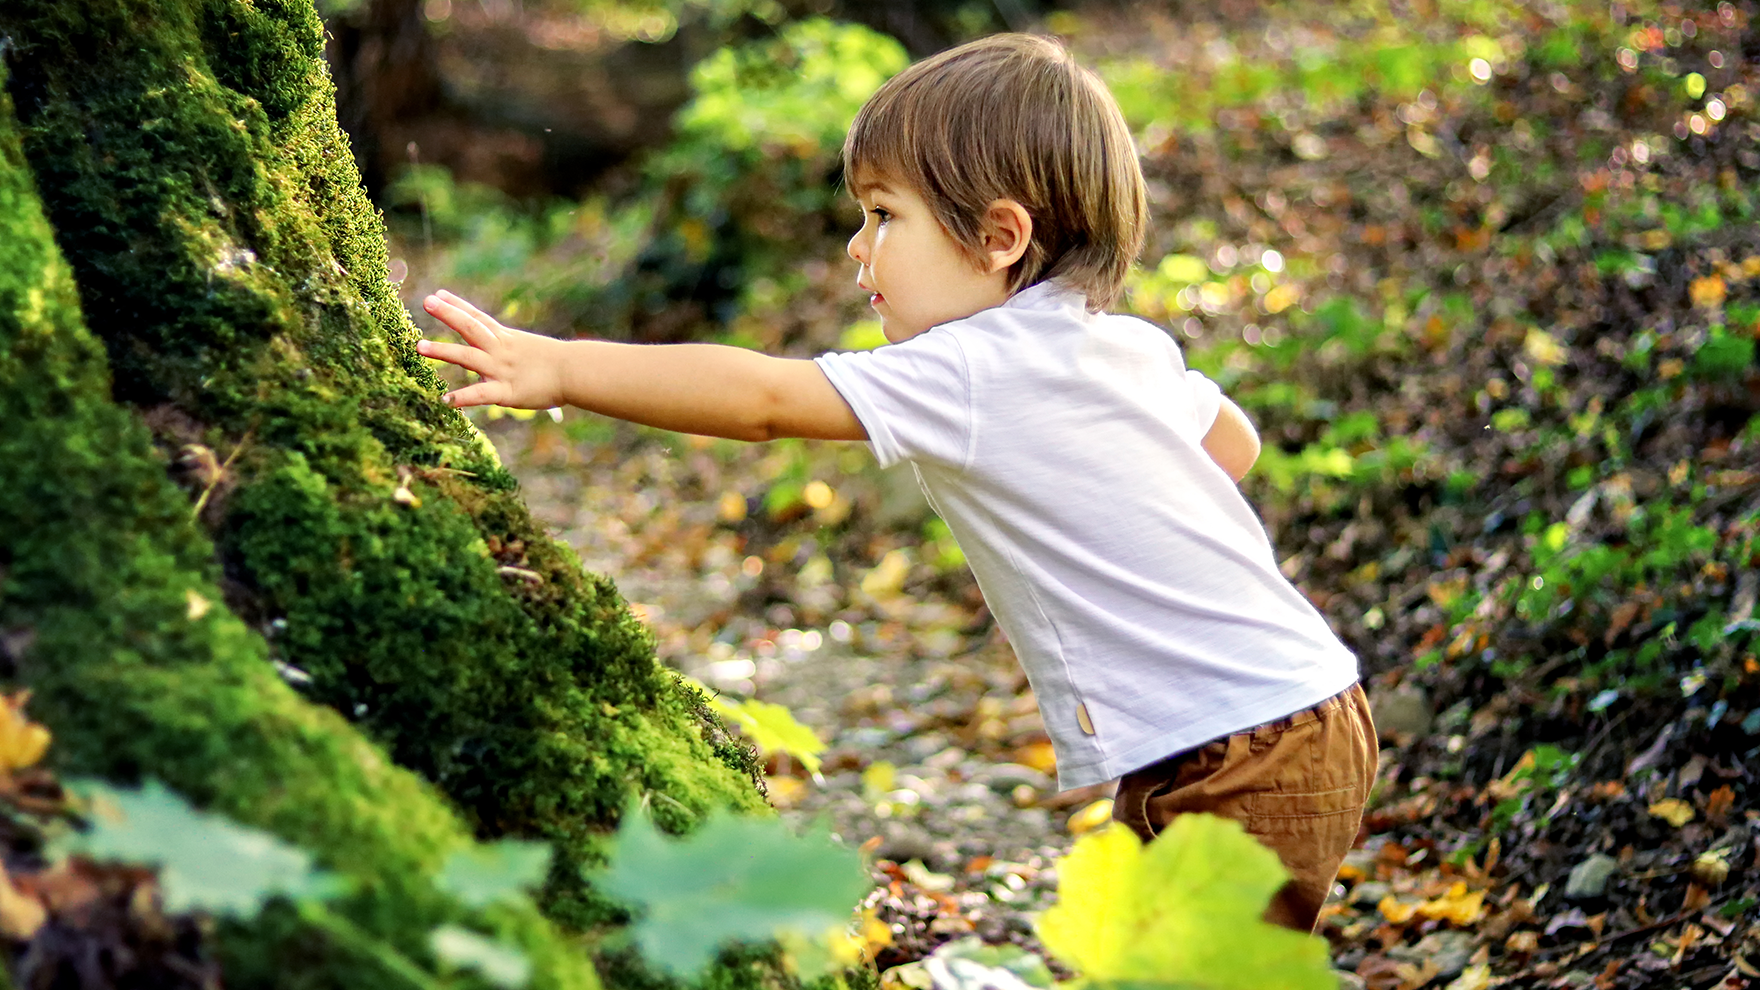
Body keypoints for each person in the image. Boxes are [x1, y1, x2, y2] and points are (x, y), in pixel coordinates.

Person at [414, 32, 1375, 933]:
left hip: (1237, 747)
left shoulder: (973, 366)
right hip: (1292, 713)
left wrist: (565, 369)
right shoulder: (1117, 341)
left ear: (1000, 237)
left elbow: (761, 399)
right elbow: (1235, 447)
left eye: (884, 215)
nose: (856, 247)